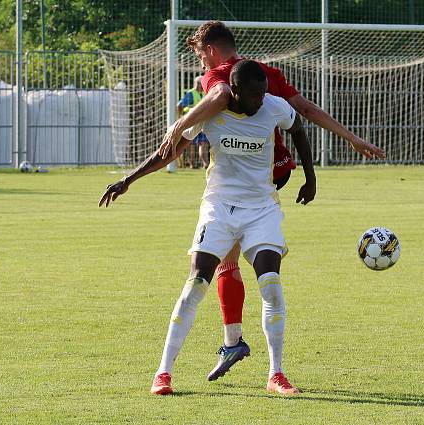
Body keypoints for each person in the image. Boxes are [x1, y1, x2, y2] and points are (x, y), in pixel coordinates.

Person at [154, 21, 384, 383]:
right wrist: (351, 138)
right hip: (275, 171)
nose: (200, 65)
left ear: (211, 51)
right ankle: (233, 345)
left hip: (250, 181)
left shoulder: (219, 77)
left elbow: (216, 101)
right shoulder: (268, 73)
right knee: (228, 262)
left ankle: (236, 344)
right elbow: (306, 110)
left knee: (226, 262)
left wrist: (176, 125)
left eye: (200, 56)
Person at [99, 60, 315, 395]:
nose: (261, 99)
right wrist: (129, 179)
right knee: (196, 284)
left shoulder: (274, 107)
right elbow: (168, 152)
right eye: (255, 94)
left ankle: (276, 374)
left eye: (264, 93)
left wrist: (310, 178)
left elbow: (298, 130)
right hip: (218, 209)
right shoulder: (211, 114)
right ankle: (163, 373)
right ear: (236, 91)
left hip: (261, 209)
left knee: (270, 283)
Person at [176, 76, 210, 168]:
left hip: (202, 121)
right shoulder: (191, 93)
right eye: (198, 83)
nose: (200, 85)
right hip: (191, 122)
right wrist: (180, 117)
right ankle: (192, 164)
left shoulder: (205, 93)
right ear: (194, 83)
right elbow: (179, 105)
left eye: (201, 83)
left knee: (203, 143)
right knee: (190, 143)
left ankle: (205, 163)